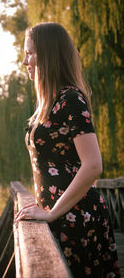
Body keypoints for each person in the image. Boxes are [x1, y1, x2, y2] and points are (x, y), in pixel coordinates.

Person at [16, 22, 120, 277]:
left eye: (30, 53)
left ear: (48, 55)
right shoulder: (49, 103)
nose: (24, 61)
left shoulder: (70, 99)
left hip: (77, 220)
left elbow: (93, 165)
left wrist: (51, 214)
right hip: (62, 216)